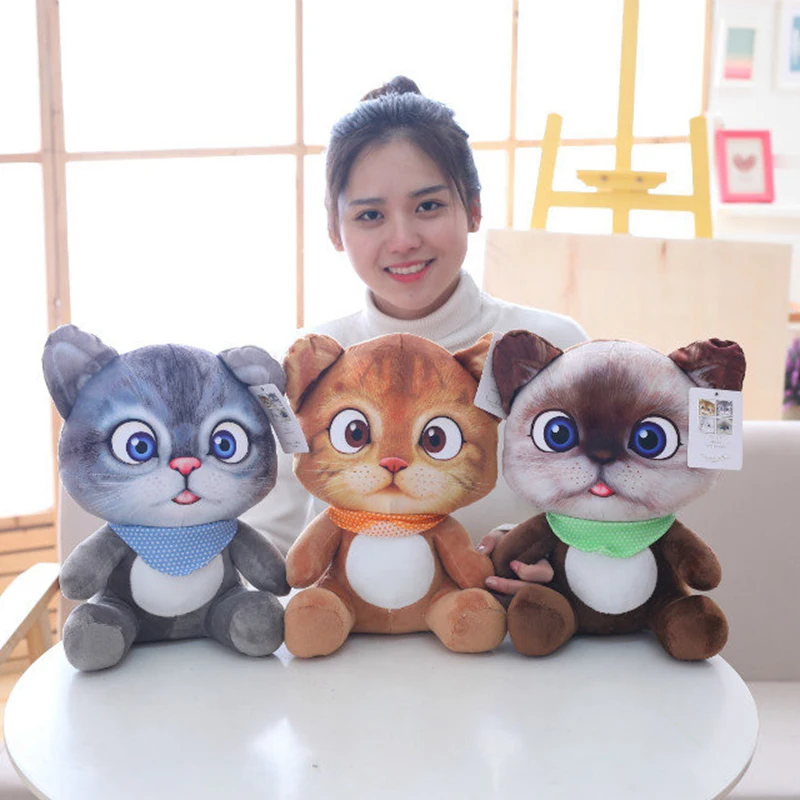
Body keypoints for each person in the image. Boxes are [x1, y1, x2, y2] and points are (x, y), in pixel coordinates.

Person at [243, 76, 587, 595]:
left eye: (428, 206)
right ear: (335, 229)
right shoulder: (307, 361)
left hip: (513, 632)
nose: (403, 240)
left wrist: (555, 560)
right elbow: (269, 543)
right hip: (346, 632)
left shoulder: (549, 347)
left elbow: (603, 515)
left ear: (473, 208)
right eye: (370, 215)